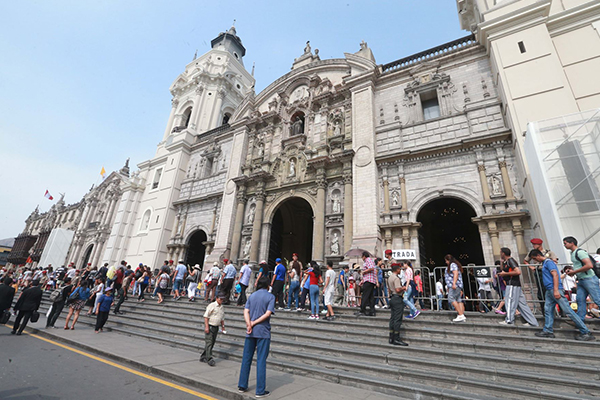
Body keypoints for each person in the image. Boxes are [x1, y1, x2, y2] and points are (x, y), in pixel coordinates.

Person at [528, 249, 595, 341]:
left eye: (535, 258)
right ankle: (548, 330)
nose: (535, 261)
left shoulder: (548, 263)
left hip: (554, 289)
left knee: (568, 311)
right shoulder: (545, 263)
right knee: (548, 310)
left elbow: (555, 275)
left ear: (538, 256)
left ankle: (585, 331)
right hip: (549, 290)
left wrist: (556, 290)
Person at [237, 276, 275, 398]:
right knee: (261, 360)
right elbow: (267, 314)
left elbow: (246, 311)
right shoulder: (270, 297)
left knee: (246, 358)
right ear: (268, 285)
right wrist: (254, 323)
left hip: (250, 332)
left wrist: (249, 324)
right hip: (263, 331)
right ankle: (260, 390)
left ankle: (242, 385)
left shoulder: (252, 296)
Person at [497, 247, 539, 327]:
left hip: (512, 284)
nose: (500, 254)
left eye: (500, 252)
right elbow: (503, 269)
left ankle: (509, 320)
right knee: (522, 304)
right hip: (515, 285)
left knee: (509, 301)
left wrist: (505, 274)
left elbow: (518, 272)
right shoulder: (506, 262)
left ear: (503, 253)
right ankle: (533, 322)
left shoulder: (511, 261)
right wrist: (501, 262)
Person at [563, 236, 600, 321]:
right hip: (582, 280)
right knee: (580, 300)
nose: (564, 245)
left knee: (597, 299)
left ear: (572, 243)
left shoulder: (580, 252)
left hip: (588, 279)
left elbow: (589, 265)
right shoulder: (573, 253)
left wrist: (574, 272)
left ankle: (580, 320)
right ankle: (580, 320)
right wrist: (573, 271)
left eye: (565, 243)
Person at [524, 238, 557, 313]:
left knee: (550, 289)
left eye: (535, 244)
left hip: (548, 271)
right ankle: (544, 311)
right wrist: (531, 267)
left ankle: (557, 311)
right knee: (541, 291)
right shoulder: (532, 253)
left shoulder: (548, 252)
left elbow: (555, 260)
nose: (533, 246)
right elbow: (525, 261)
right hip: (539, 271)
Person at [200, 294, 226, 366]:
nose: (221, 301)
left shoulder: (222, 307)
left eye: (222, 299)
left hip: (216, 327)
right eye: (220, 299)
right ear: (217, 298)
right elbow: (206, 316)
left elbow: (222, 318)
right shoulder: (212, 305)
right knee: (209, 342)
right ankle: (209, 358)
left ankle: (204, 356)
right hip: (210, 326)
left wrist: (223, 327)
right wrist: (206, 327)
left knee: (212, 342)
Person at [388, 264, 408, 346]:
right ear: (397, 269)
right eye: (399, 269)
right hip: (397, 298)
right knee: (397, 318)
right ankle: (396, 338)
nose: (400, 270)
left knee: (392, 318)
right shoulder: (396, 278)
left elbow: (389, 290)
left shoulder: (390, 277)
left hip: (392, 298)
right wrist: (403, 288)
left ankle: (391, 337)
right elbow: (397, 289)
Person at [444, 255, 466, 322]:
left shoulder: (452, 265)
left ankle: (460, 315)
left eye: (446, 261)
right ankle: (461, 315)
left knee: (451, 298)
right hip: (457, 285)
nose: (446, 262)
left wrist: (454, 283)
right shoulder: (455, 264)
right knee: (459, 299)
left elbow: (455, 273)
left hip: (454, 285)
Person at [358, 252, 377, 317]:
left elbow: (371, 268)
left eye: (362, 256)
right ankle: (372, 311)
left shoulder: (368, 260)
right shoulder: (369, 260)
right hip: (370, 280)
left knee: (365, 295)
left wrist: (364, 271)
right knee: (370, 296)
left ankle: (362, 310)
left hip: (369, 280)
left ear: (364, 256)